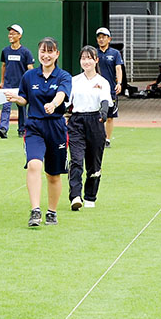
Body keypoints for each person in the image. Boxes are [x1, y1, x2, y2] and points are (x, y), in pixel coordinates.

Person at [3, 37, 72, 227]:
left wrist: (53, 104)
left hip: (56, 127)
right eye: (43, 51)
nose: (46, 55)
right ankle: (35, 211)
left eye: (50, 51)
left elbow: (62, 94)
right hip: (34, 126)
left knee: (53, 174)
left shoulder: (63, 76)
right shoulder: (29, 76)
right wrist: (17, 98)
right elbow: (24, 99)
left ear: (57, 54)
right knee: (34, 165)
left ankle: (52, 211)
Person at [67, 46, 112, 210]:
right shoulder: (74, 81)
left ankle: (90, 196)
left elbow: (106, 100)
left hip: (95, 121)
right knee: (76, 160)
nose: (86, 61)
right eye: (83, 58)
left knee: (94, 164)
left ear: (96, 60)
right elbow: (66, 102)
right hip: (77, 121)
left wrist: (104, 112)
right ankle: (75, 196)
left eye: (89, 58)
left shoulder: (102, 82)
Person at [0, 24, 34, 139]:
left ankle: (22, 130)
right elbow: (4, 66)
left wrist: (30, 83)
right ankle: (3, 129)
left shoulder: (26, 52)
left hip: (21, 86)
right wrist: (2, 81)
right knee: (6, 107)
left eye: (13, 34)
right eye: (9, 33)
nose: (10, 36)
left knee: (22, 108)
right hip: (8, 85)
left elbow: (30, 69)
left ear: (20, 36)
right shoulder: (5, 51)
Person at [95, 27, 123, 148]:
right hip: (96, 89)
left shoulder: (115, 53)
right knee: (96, 115)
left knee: (110, 117)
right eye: (99, 37)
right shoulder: (94, 53)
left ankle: (107, 139)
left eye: (104, 37)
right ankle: (97, 137)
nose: (101, 39)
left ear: (109, 39)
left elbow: (118, 68)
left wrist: (119, 83)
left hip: (111, 89)